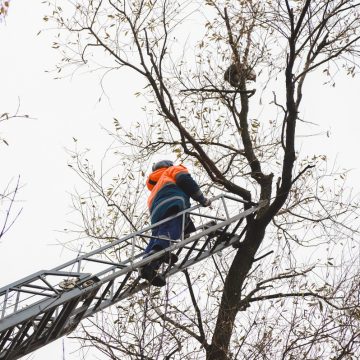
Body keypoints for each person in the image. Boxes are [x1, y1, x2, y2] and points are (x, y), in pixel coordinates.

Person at [140, 160, 211, 286]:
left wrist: (187, 228)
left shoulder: (156, 186)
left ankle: (147, 265)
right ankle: (159, 251)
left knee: (156, 236)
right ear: (168, 165)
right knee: (172, 227)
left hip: (156, 212)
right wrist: (202, 199)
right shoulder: (172, 170)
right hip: (173, 201)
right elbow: (186, 181)